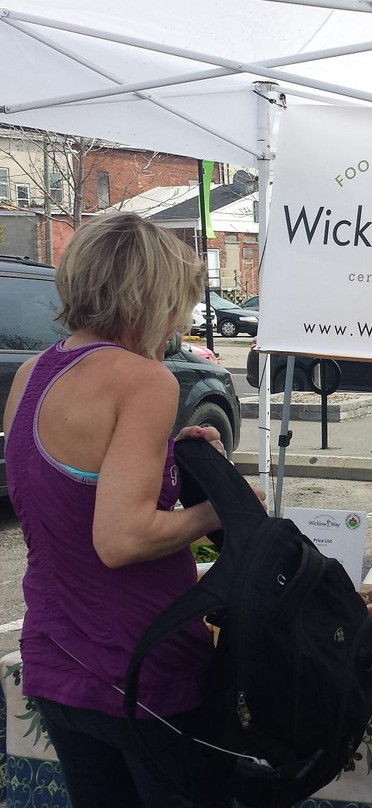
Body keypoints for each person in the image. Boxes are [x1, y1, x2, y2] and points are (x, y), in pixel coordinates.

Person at [2, 213, 245, 808]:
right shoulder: (144, 379)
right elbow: (122, 539)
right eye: (179, 304)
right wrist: (216, 512)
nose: (179, 323)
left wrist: (174, 457)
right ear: (150, 295)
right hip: (142, 662)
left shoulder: (33, 373)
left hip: (58, 656)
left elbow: (73, 490)